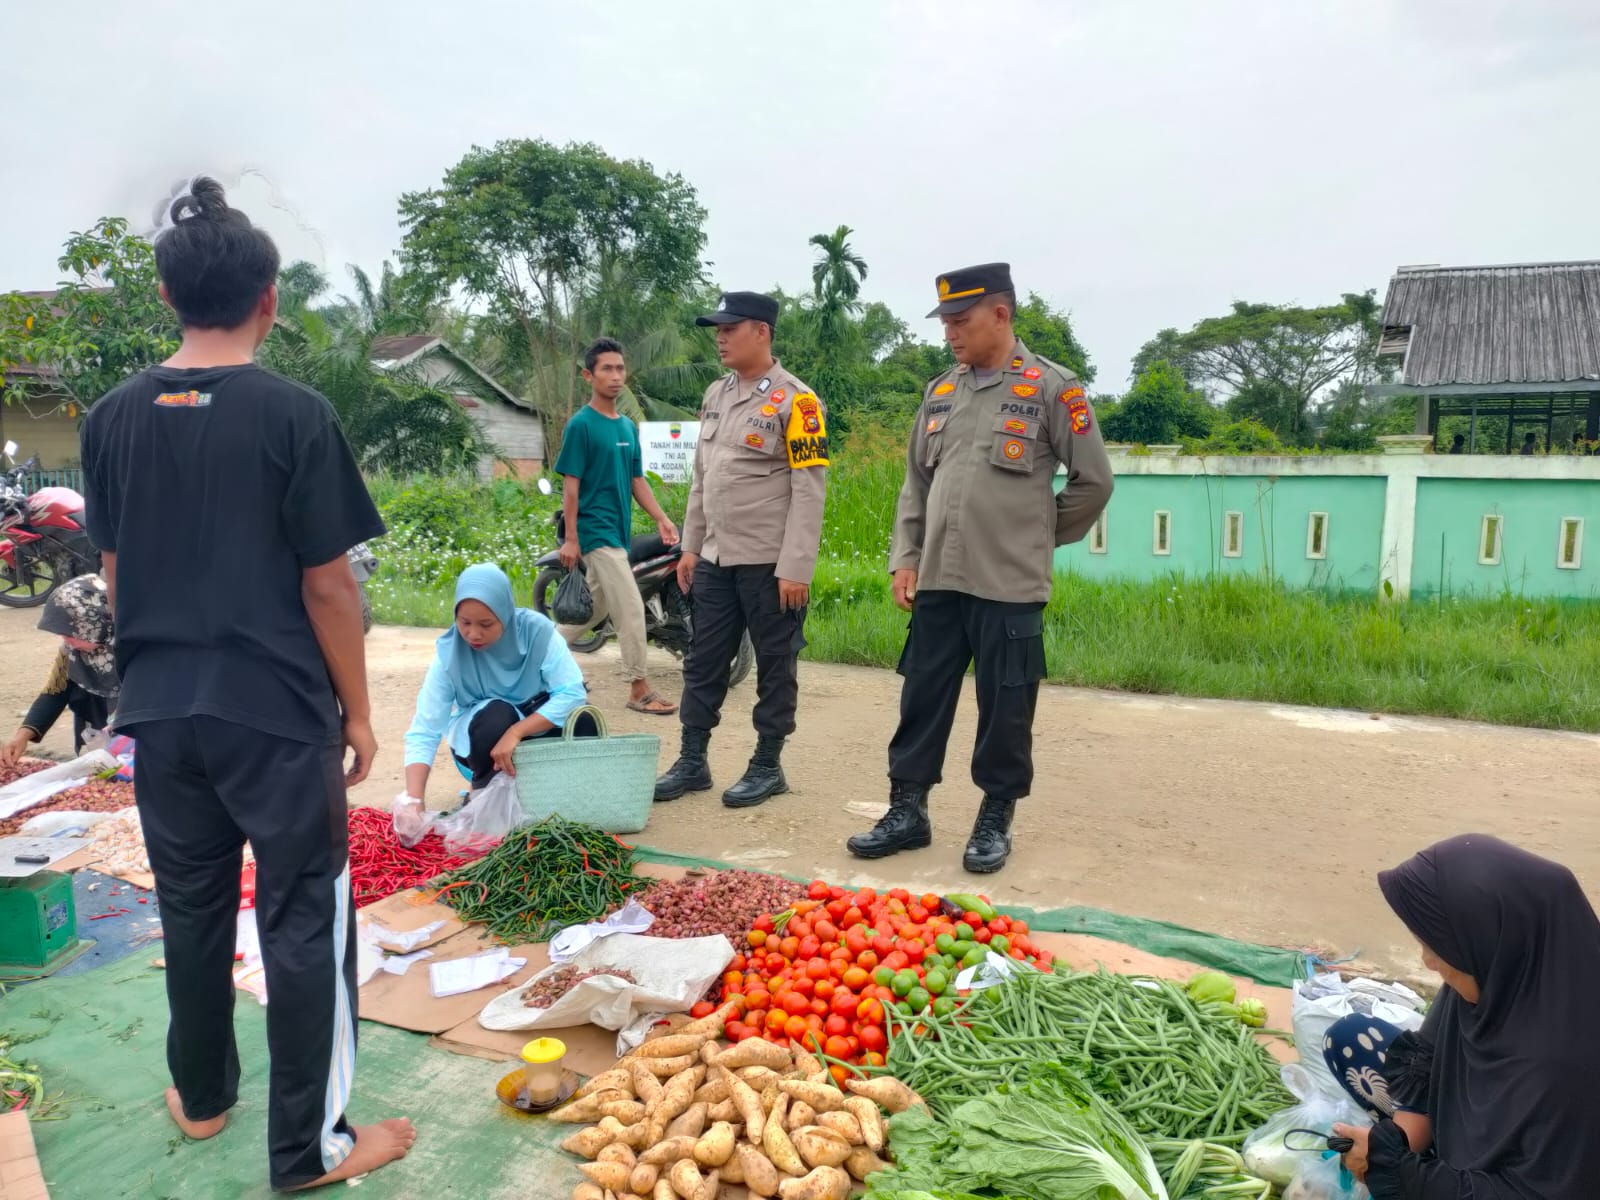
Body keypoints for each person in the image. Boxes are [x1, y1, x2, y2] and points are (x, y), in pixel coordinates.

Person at [77, 177, 412, 1190]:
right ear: (269, 296)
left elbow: (118, 574)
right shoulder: (294, 416)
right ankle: (313, 1149)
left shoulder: (110, 419)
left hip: (163, 711)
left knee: (190, 908)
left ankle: (204, 1098)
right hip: (272, 714)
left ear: (170, 296)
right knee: (305, 919)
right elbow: (327, 585)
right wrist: (356, 711)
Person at [848, 264, 1114, 873]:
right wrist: (905, 558)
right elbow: (915, 483)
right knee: (922, 696)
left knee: (1007, 705)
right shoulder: (941, 391)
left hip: (1009, 583)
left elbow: (1094, 483)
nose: (950, 333)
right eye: (944, 322)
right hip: (939, 577)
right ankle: (907, 809)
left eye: (960, 320)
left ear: (1001, 314)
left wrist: (1036, 537)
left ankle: (995, 815)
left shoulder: (1053, 389)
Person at [1332, 834, 1600, 1199]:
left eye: (1436, 947)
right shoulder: (1501, 970)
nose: (1427, 960)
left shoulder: (1568, 1064)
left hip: (1530, 1184)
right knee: (1349, 1039)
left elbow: (1538, 1191)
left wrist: (1404, 1176)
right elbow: (1428, 1062)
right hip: (1475, 1150)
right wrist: (1394, 1145)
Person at [653, 291, 828, 808]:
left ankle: (767, 764)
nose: (720, 337)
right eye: (718, 329)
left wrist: (796, 566)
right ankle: (692, 761)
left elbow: (809, 489)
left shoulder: (798, 402)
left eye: (730, 328)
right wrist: (690, 546)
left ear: (762, 332)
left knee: (775, 665)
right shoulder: (717, 394)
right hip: (714, 559)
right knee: (702, 661)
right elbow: (702, 480)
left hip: (771, 565)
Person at [554, 337, 679, 717]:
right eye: (606, 369)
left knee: (594, 607)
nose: (615, 376)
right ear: (588, 375)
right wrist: (572, 539)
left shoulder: (626, 427)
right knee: (629, 607)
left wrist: (661, 517)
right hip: (595, 533)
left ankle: (542, 655)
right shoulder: (581, 426)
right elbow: (570, 487)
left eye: (620, 368)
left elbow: (636, 480)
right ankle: (639, 688)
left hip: (618, 532)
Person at [403, 563, 591, 796]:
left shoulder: (537, 633)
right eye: (464, 622)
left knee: (583, 719)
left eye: (486, 624)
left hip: (532, 731)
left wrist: (516, 732)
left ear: (505, 614)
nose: (473, 634)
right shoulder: (449, 654)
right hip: (483, 744)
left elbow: (572, 693)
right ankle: (485, 796)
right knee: (495, 715)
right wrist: (413, 799)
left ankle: (558, 795)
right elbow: (425, 729)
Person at [2, 575, 117, 766]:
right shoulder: (71, 652)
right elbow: (55, 692)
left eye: (71, 632)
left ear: (95, 622)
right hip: (100, 728)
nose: (65, 638)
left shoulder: (132, 649)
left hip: (137, 735)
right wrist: (22, 736)